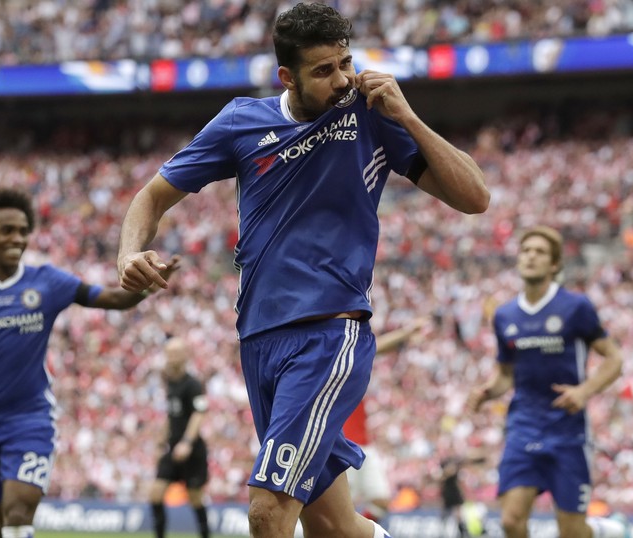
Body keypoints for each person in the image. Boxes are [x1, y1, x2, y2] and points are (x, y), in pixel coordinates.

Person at [116, 3, 489, 536]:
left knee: (268, 514)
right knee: (334, 527)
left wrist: (406, 116)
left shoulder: (370, 117)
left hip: (326, 333)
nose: (341, 79)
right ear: (286, 76)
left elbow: (475, 197)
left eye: (345, 63)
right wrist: (130, 253)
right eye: (323, 71)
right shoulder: (241, 122)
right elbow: (150, 197)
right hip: (258, 342)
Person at [0, 187, 180, 538]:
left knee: (18, 513)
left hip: (30, 418)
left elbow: (109, 298)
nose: (18, 238)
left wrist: (142, 288)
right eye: (7, 230)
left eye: (23, 230)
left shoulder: (47, 281)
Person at [467, 226, 631, 538]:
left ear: (554, 264)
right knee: (512, 521)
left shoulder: (576, 307)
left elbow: (614, 358)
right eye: (526, 251)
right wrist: (488, 392)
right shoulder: (504, 315)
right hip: (523, 426)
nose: (530, 257)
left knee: (571, 531)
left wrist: (584, 391)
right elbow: (506, 375)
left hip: (567, 430)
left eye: (539, 252)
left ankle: (606, 530)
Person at [344, 318, 429, 525]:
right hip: (341, 446)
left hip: (364, 446)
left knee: (381, 500)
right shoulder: (327, 363)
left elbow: (375, 347)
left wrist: (406, 332)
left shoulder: (349, 359)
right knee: (342, 507)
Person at [149, 337, 211, 538]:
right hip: (172, 447)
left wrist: (187, 442)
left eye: (175, 352)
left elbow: (199, 413)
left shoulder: (192, 384)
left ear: (185, 355)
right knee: (155, 494)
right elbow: (171, 416)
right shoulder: (169, 383)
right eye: (169, 352)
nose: (171, 356)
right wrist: (161, 441)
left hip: (191, 449)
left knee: (195, 498)